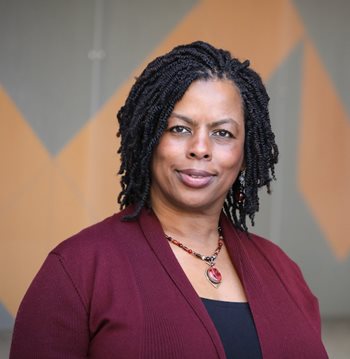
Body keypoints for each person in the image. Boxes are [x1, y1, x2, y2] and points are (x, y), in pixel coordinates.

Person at [10, 41, 328, 358]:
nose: (200, 147)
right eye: (179, 128)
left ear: (244, 154)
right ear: (149, 139)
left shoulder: (282, 270)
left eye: (223, 133)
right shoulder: (78, 268)